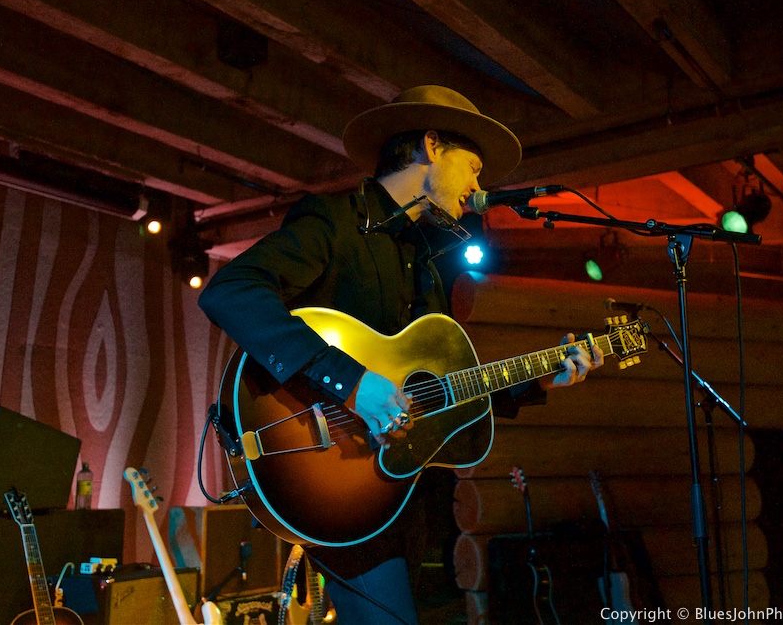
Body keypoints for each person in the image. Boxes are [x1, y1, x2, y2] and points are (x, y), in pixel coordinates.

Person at [197, 85, 603, 624]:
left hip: (402, 502)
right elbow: (230, 291)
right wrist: (350, 383)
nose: (478, 187)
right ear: (431, 146)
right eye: (473, 167)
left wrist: (540, 379)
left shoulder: (425, 267)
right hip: (332, 481)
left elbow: (442, 396)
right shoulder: (333, 222)